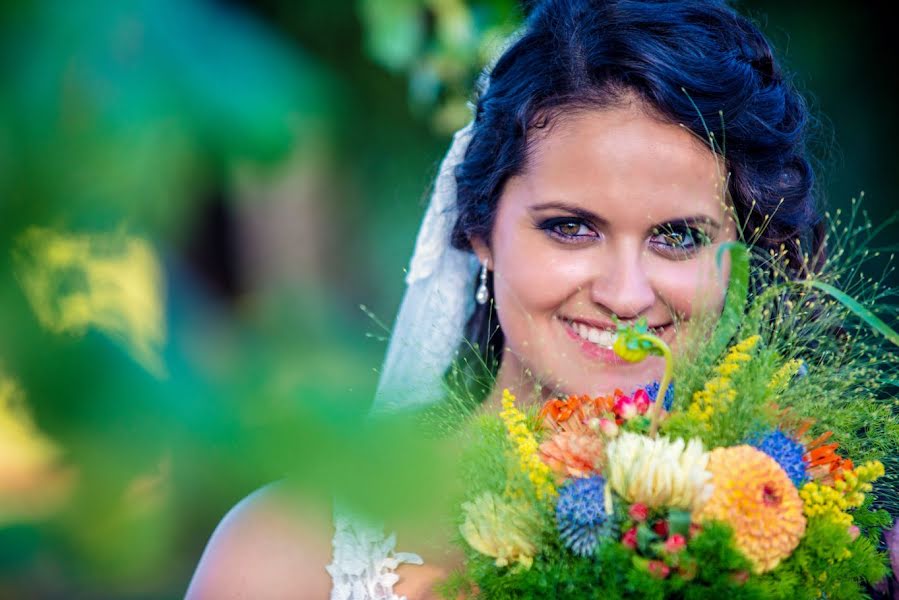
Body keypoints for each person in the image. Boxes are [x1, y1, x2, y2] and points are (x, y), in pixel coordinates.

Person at [185, 0, 822, 598]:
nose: (626, 296)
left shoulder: (807, 542)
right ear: (479, 231)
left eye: (677, 236)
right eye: (571, 227)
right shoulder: (280, 552)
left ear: (737, 257)